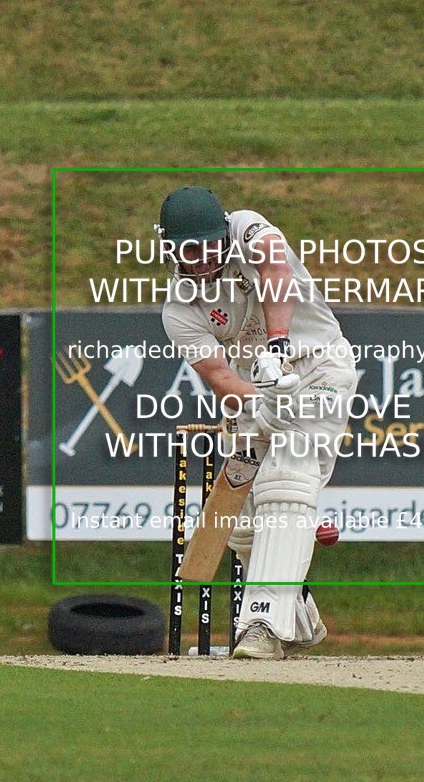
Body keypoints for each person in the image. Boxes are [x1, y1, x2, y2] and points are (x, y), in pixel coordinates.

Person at [157, 185, 358, 659]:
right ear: (168, 248)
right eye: (189, 250)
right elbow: (219, 376)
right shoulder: (178, 310)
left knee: (287, 480)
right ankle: (300, 617)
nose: (202, 259)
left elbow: (275, 271)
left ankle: (263, 625)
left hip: (318, 367)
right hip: (256, 390)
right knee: (243, 524)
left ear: (223, 234)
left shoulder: (247, 227)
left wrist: (278, 345)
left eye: (209, 246)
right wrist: (262, 403)